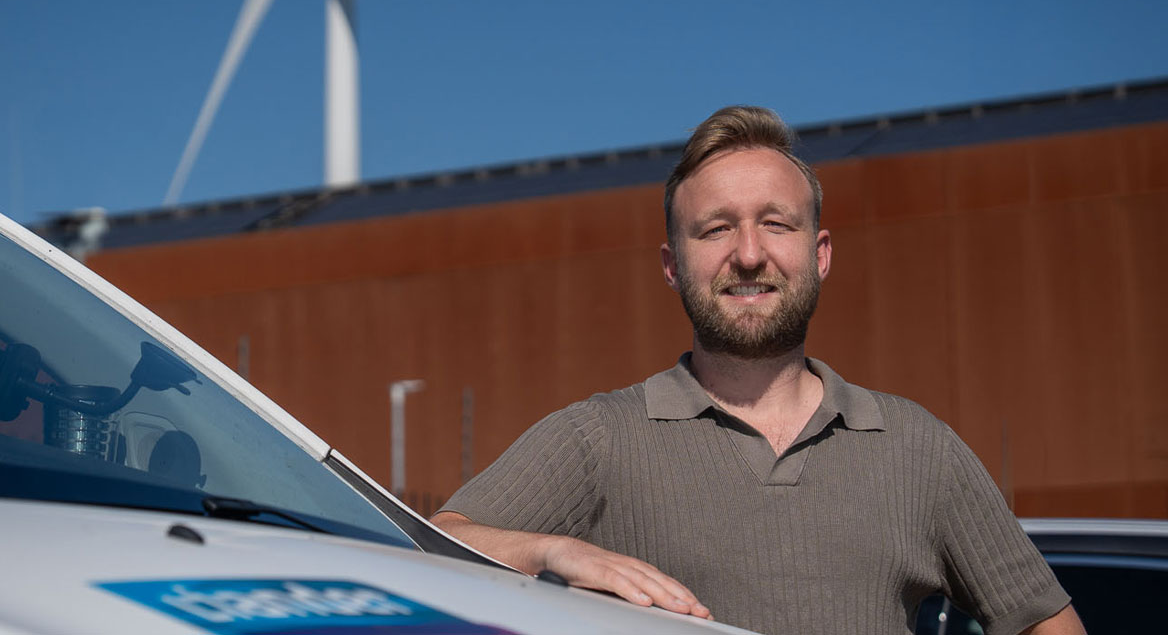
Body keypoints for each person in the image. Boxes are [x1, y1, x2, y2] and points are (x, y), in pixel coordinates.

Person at [431, 106, 1084, 635]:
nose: (748, 254)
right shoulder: (600, 439)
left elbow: (1044, 623)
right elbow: (432, 544)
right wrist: (550, 551)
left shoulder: (919, 448)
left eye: (776, 223)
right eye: (715, 229)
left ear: (819, 253)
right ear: (671, 264)